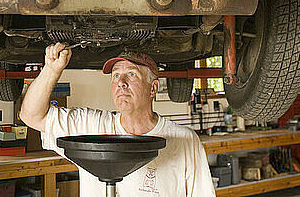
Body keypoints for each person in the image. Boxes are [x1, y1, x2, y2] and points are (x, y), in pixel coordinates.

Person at [20, 43, 216, 196]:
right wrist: (51, 70)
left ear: (153, 89)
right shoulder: (90, 127)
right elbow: (31, 116)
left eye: (131, 74)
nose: (121, 83)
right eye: (115, 76)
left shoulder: (184, 140)